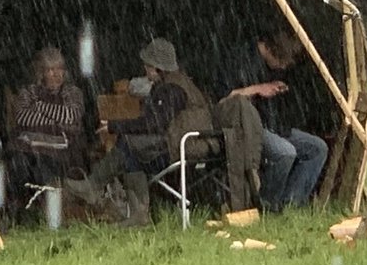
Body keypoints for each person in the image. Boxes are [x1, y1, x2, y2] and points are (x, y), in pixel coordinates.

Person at [66, 37, 212, 227]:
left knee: (128, 144)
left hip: (186, 146)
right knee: (131, 153)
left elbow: (154, 124)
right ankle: (136, 214)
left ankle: (96, 188)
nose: (145, 69)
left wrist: (115, 126)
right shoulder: (177, 83)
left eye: (147, 66)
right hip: (188, 143)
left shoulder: (172, 90)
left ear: (156, 68)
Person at [220, 29, 327, 211]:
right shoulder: (239, 59)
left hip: (273, 124)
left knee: (318, 148)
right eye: (283, 62)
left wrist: (275, 88)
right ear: (273, 52)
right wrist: (258, 88)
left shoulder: (269, 66)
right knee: (285, 152)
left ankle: (291, 204)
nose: (283, 68)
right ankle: (266, 205)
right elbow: (226, 98)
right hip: (248, 127)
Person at [9, 47, 86, 192]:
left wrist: (39, 106)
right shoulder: (29, 92)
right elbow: (23, 118)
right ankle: (24, 207)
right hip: (28, 148)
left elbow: (70, 115)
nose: (56, 74)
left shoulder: (72, 92)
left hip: (61, 150)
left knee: (45, 166)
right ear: (41, 73)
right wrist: (57, 122)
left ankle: (46, 204)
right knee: (19, 163)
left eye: (60, 69)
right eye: (50, 70)